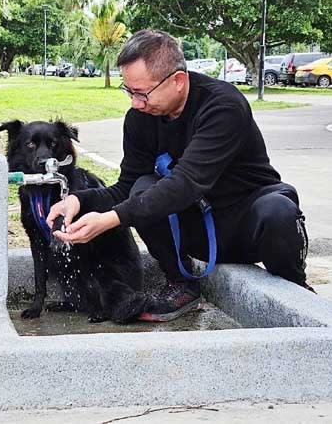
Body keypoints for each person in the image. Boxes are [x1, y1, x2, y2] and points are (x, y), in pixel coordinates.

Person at [47, 29, 311, 322]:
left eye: (141, 92)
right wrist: (78, 201)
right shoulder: (140, 119)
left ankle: (295, 288)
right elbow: (127, 187)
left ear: (178, 81)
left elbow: (186, 183)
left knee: (278, 210)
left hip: (249, 222)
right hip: (196, 228)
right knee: (143, 187)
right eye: (129, 91)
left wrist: (110, 220)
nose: (135, 103)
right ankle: (181, 282)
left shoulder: (223, 106)